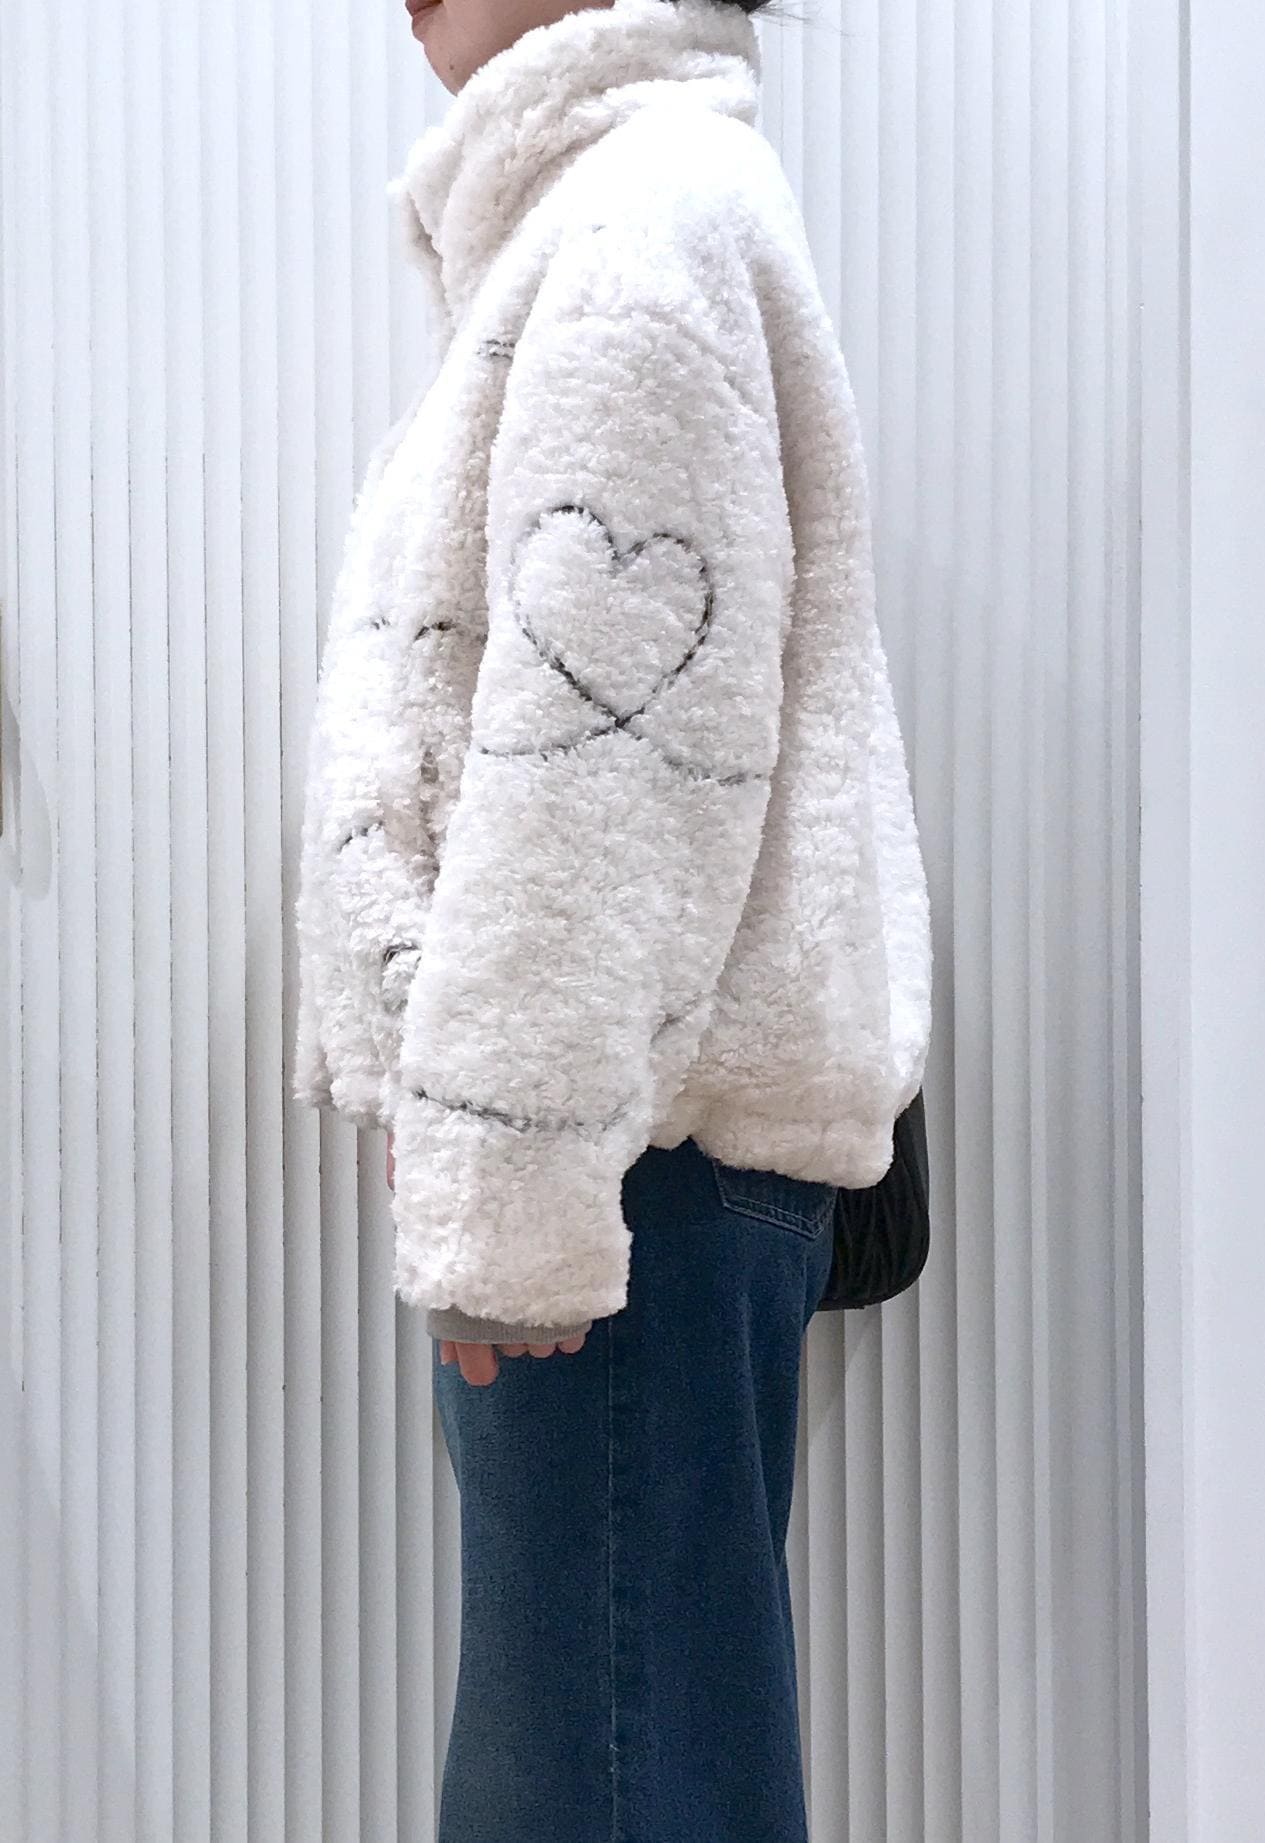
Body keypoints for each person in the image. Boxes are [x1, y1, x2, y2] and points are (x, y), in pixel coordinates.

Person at [293, 0, 933, 1835]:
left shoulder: (638, 223)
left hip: (621, 1174)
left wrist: (511, 1209)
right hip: (620, 1154)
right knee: (628, 1749)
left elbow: (613, 773)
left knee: (602, 1775)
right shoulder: (615, 213)